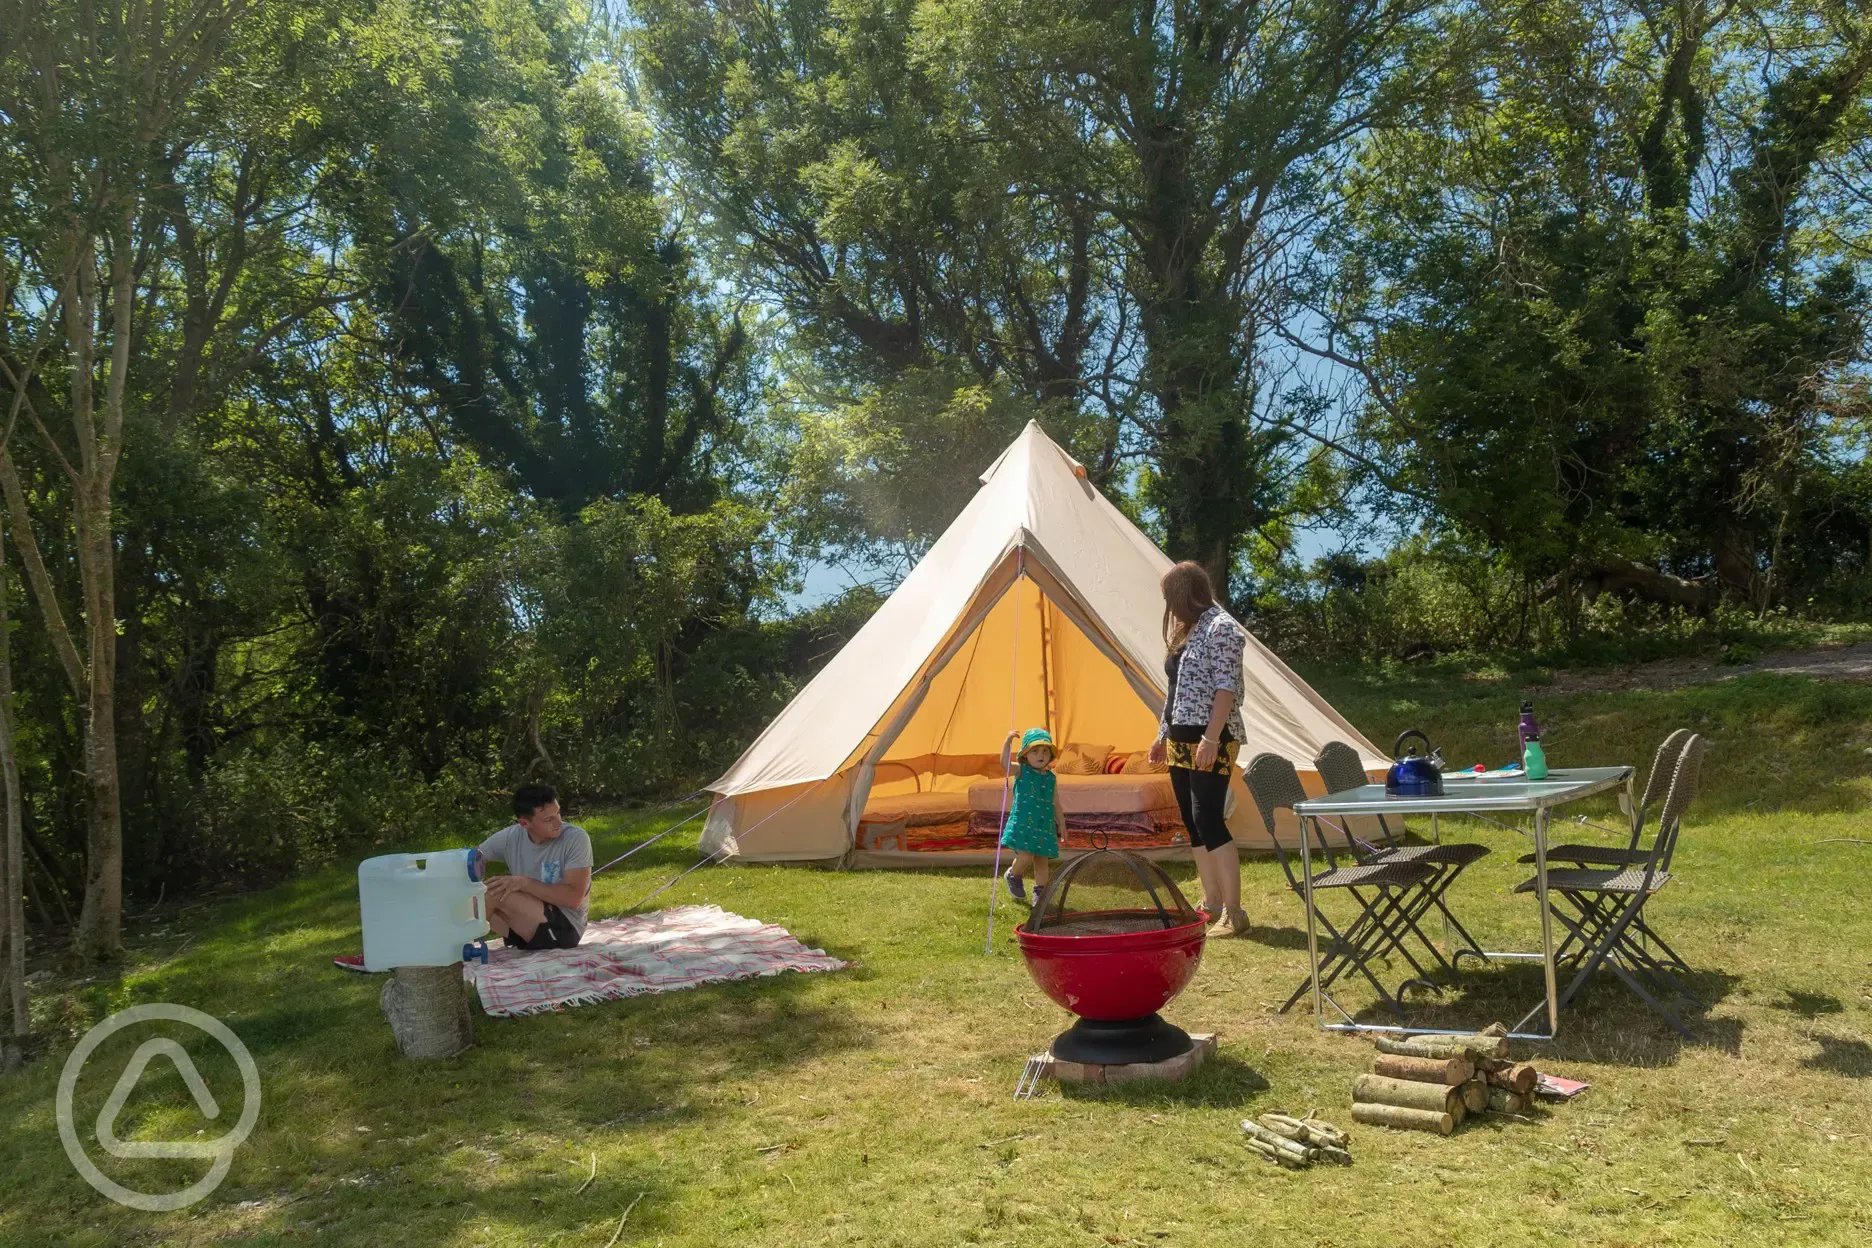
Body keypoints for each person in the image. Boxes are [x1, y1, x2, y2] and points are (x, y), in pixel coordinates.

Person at [1148, 561, 1250, 937]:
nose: (1168, 607)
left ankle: (1235, 913)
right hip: (1180, 739)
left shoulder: (1222, 629)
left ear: (1184, 594)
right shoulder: (1185, 631)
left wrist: (1210, 738)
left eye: (1169, 598)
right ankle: (1211, 903)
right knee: (1192, 822)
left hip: (1213, 739)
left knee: (1209, 817)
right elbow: (1175, 692)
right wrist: (1162, 735)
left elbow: (1226, 688)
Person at [477, 783, 594, 950]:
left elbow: (573, 898)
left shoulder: (576, 839)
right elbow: (474, 858)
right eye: (548, 819)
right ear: (524, 824)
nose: (558, 822)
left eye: (558, 813)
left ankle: (461, 948)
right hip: (526, 923)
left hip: (565, 929)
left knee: (495, 892)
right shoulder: (511, 837)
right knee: (472, 896)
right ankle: (454, 945)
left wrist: (524, 883)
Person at [1000, 727, 1065, 905]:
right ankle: (1014, 875)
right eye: (1034, 751)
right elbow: (1005, 764)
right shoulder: (1021, 771)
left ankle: (1041, 894)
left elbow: (1055, 802)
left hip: (1044, 825)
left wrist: (1062, 823)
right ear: (1025, 754)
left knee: (1042, 860)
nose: (1040, 755)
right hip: (1023, 823)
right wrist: (1007, 743)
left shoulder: (1050, 778)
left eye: (1045, 751)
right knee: (1026, 856)